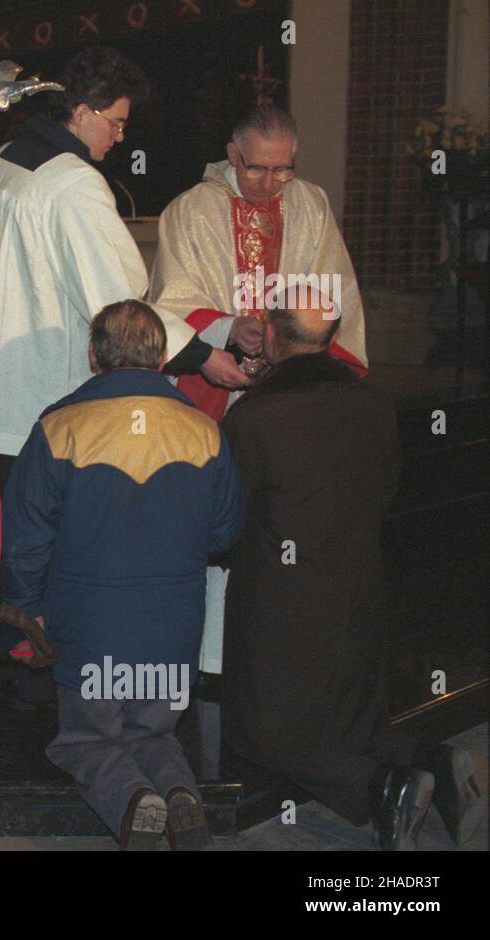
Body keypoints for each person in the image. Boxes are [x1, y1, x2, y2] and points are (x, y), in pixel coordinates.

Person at [0, 47, 247, 681]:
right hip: (50, 405)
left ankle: (6, 670)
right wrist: (206, 355)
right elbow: (121, 308)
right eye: (116, 122)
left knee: (9, 553)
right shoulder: (74, 185)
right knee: (58, 561)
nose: (121, 136)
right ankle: (54, 689)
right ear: (81, 113)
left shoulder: (3, 162)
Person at [221, 291, 483, 850]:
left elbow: (229, 519)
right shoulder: (373, 403)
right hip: (362, 580)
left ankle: (385, 787)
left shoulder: (256, 415)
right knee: (352, 718)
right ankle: (435, 759)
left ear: (269, 334)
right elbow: (386, 488)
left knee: (262, 731)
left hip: (282, 594)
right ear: (330, 338)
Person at [1, 300, 244, 849]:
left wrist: (23, 610)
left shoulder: (60, 427)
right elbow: (225, 533)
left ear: (93, 355)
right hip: (173, 623)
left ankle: (135, 803)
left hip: (87, 627)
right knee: (153, 731)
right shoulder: (203, 430)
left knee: (86, 740)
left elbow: (24, 540)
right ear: (162, 357)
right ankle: (180, 796)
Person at [150, 106, 369, 675]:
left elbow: (332, 291)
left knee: (281, 523)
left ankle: (273, 652)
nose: (270, 184)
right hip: (216, 391)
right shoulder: (190, 211)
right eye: (256, 170)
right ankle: (209, 658)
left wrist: (289, 341)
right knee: (217, 519)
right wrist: (229, 327)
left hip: (289, 401)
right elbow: (169, 302)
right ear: (232, 154)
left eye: (283, 170)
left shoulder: (310, 205)